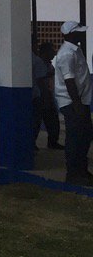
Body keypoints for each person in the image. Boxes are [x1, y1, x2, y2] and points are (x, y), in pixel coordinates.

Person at [53, 21, 92, 185]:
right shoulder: (67, 54)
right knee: (75, 138)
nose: (82, 34)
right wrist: (77, 105)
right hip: (72, 102)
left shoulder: (76, 50)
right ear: (70, 34)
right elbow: (69, 81)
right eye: (78, 32)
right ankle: (74, 173)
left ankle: (82, 170)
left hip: (80, 101)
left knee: (84, 136)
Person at [32, 41, 62, 150]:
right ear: (45, 52)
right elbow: (40, 82)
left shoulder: (49, 65)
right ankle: (33, 143)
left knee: (52, 121)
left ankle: (53, 141)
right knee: (37, 122)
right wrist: (45, 96)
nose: (54, 53)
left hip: (48, 96)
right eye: (52, 50)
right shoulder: (39, 63)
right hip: (42, 97)